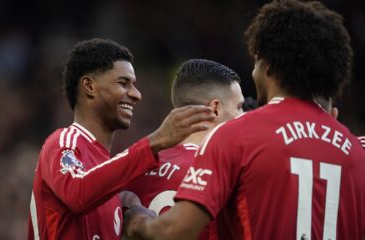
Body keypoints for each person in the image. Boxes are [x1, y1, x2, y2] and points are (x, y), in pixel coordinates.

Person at [124, 1, 365, 239]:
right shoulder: (356, 151)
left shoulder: (236, 135)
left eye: (256, 61)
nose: (253, 71)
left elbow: (175, 231)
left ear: (267, 67)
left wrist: (136, 220)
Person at [28, 38, 216, 240]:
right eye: (124, 83)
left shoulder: (110, 179)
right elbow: (78, 193)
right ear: (89, 86)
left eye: (134, 85)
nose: (136, 94)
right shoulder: (65, 141)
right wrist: (154, 142)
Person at [121, 59, 244, 239]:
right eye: (239, 107)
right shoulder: (215, 172)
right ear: (215, 109)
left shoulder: (128, 166)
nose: (244, 116)